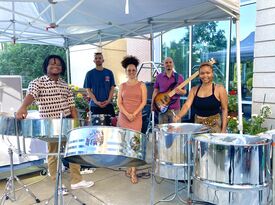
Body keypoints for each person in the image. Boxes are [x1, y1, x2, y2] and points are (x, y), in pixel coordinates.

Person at [16, 55, 94, 194]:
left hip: (67, 122)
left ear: (62, 67)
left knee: (73, 151)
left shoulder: (65, 85)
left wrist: (76, 124)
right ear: (46, 66)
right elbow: (31, 95)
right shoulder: (37, 82)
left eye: (58, 64)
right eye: (52, 64)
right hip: (50, 124)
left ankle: (76, 180)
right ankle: (57, 184)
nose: (55, 66)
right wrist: (23, 107)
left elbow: (71, 106)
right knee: (53, 154)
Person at [173, 62, 228, 133]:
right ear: (199, 75)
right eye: (202, 73)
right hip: (198, 126)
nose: (205, 75)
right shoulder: (194, 90)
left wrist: (223, 129)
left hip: (215, 126)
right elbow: (187, 105)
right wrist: (178, 116)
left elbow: (224, 109)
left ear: (212, 73)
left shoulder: (220, 89)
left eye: (208, 73)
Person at [117, 55, 147, 184]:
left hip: (136, 117)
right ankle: (129, 166)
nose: (131, 72)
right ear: (126, 71)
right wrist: (127, 114)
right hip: (124, 117)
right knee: (125, 143)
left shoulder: (142, 85)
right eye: (129, 70)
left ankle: (134, 171)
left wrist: (133, 113)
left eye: (133, 70)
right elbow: (119, 103)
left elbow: (144, 101)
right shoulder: (122, 86)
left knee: (134, 144)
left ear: (136, 71)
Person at [151, 57, 186, 124]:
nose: (168, 64)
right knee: (163, 132)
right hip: (162, 109)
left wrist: (180, 92)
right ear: (164, 65)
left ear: (173, 64)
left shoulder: (179, 77)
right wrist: (152, 105)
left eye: (170, 62)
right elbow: (155, 91)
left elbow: (184, 92)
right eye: (166, 62)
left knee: (176, 133)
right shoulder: (159, 77)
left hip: (175, 110)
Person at [83, 52, 116, 117]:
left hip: (108, 105)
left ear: (103, 60)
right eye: (96, 58)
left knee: (110, 127)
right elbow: (88, 90)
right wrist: (96, 101)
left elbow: (112, 88)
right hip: (94, 105)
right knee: (96, 127)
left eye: (100, 58)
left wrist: (108, 100)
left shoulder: (109, 72)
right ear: (94, 61)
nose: (98, 59)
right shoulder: (89, 74)